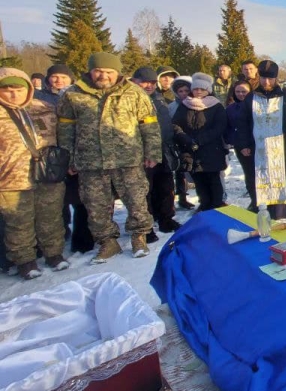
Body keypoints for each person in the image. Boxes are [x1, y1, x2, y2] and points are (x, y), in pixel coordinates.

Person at [57, 52, 161, 263]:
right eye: (98, 71)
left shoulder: (134, 92)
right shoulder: (73, 95)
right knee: (95, 205)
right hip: (90, 161)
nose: (103, 75)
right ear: (90, 71)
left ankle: (139, 237)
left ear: (117, 73)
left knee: (137, 200)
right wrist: (68, 158)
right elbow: (66, 129)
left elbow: (149, 124)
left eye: (109, 72)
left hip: (128, 158)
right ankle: (107, 242)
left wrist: (152, 152)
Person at [0, 68, 69, 279]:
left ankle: (53, 253)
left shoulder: (45, 108)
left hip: (48, 173)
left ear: (28, 89)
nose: (13, 94)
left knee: (51, 217)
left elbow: (63, 135)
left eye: (18, 89)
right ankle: (25, 260)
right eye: (7, 89)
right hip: (12, 178)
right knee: (18, 222)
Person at [35, 64, 95, 252]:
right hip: (50, 156)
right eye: (55, 77)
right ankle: (51, 239)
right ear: (47, 79)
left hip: (78, 154)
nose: (59, 80)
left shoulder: (79, 98)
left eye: (63, 76)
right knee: (53, 202)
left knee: (80, 199)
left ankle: (82, 239)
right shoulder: (38, 100)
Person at [236, 60, 286, 219]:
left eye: (270, 79)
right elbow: (243, 122)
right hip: (258, 147)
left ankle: (283, 210)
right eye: (264, 78)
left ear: (275, 79)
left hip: (282, 146)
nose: (267, 82)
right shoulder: (251, 98)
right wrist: (244, 144)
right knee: (261, 177)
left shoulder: (285, 96)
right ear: (259, 78)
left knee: (283, 176)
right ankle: (264, 209)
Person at [131, 67, 182, 234]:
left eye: (153, 82)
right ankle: (145, 225)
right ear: (135, 81)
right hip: (141, 153)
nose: (149, 85)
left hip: (163, 149)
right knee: (145, 190)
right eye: (144, 82)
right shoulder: (129, 100)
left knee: (165, 186)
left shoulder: (159, 98)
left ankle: (166, 218)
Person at [172, 73, 227, 211]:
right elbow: (176, 125)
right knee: (199, 180)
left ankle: (217, 205)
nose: (198, 92)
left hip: (211, 149)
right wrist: (186, 139)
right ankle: (204, 204)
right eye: (196, 89)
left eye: (202, 89)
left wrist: (201, 140)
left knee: (213, 179)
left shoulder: (216, 105)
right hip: (191, 149)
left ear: (207, 90)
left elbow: (220, 126)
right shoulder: (185, 105)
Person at [225, 81, 256, 210]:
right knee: (249, 174)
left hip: (257, 143)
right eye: (238, 92)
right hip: (241, 146)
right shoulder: (231, 109)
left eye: (244, 91)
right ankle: (254, 200)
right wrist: (238, 143)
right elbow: (228, 128)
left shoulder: (256, 105)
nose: (241, 94)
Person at [169, 76, 196, 211]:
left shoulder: (195, 103)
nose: (184, 94)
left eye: (186, 90)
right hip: (178, 142)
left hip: (193, 141)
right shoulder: (171, 107)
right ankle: (182, 197)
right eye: (181, 91)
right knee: (181, 171)